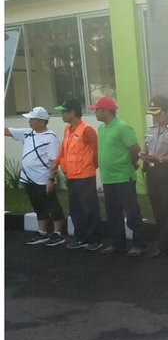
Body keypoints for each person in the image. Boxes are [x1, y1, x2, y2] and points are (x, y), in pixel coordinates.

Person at [91, 94, 145, 256]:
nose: (95, 113)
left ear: (107, 111)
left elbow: (135, 150)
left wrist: (131, 165)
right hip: (108, 178)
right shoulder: (101, 128)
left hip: (123, 177)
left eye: (98, 110)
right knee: (112, 212)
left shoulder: (123, 127)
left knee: (131, 211)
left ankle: (139, 244)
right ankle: (117, 243)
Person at [7, 106, 66, 246]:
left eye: (32, 119)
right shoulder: (27, 133)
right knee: (38, 205)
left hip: (43, 178)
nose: (29, 122)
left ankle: (58, 233)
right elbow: (7, 131)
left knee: (52, 205)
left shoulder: (50, 138)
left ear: (41, 121)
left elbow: (53, 161)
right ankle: (42, 232)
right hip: (28, 178)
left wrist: (51, 179)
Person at [50, 97, 102, 250]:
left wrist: (92, 166)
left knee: (89, 208)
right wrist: (57, 163)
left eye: (64, 112)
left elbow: (97, 151)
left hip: (85, 176)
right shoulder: (67, 129)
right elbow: (63, 150)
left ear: (72, 112)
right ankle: (81, 237)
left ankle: (94, 239)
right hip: (71, 176)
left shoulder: (86, 130)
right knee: (75, 209)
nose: (62, 115)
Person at [140, 96, 168, 260]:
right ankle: (162, 246)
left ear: (166, 112)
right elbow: (145, 149)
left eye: (158, 113)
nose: (155, 117)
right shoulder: (150, 130)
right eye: (153, 114)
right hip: (153, 174)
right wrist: (143, 154)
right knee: (157, 211)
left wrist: (161, 159)